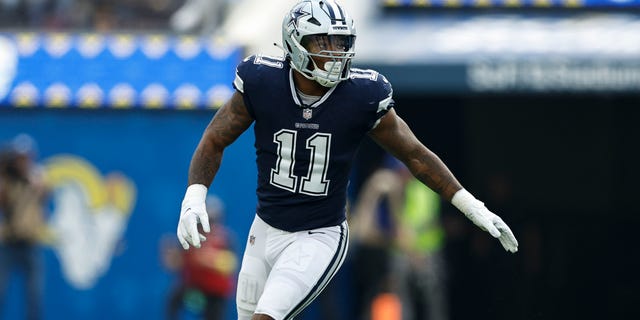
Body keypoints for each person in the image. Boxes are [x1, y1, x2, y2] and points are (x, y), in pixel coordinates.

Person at [176, 1, 519, 319]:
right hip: (264, 228)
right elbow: (215, 139)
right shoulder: (263, 81)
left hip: (319, 235)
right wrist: (194, 197)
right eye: (323, 42)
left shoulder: (361, 95)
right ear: (296, 44)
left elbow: (415, 155)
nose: (335, 52)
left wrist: (470, 204)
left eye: (340, 43)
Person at [163, 195, 238, 320]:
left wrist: (208, 259)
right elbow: (176, 264)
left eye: (213, 220)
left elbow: (232, 265)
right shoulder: (189, 234)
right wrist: (171, 256)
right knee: (173, 299)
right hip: (192, 287)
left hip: (215, 292)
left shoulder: (225, 239)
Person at [0, 134, 48, 320]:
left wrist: (30, 179)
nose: (22, 162)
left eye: (25, 157)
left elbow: (45, 192)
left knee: (34, 295)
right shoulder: (6, 180)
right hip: (8, 243)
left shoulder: (37, 175)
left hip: (31, 244)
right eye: (18, 158)